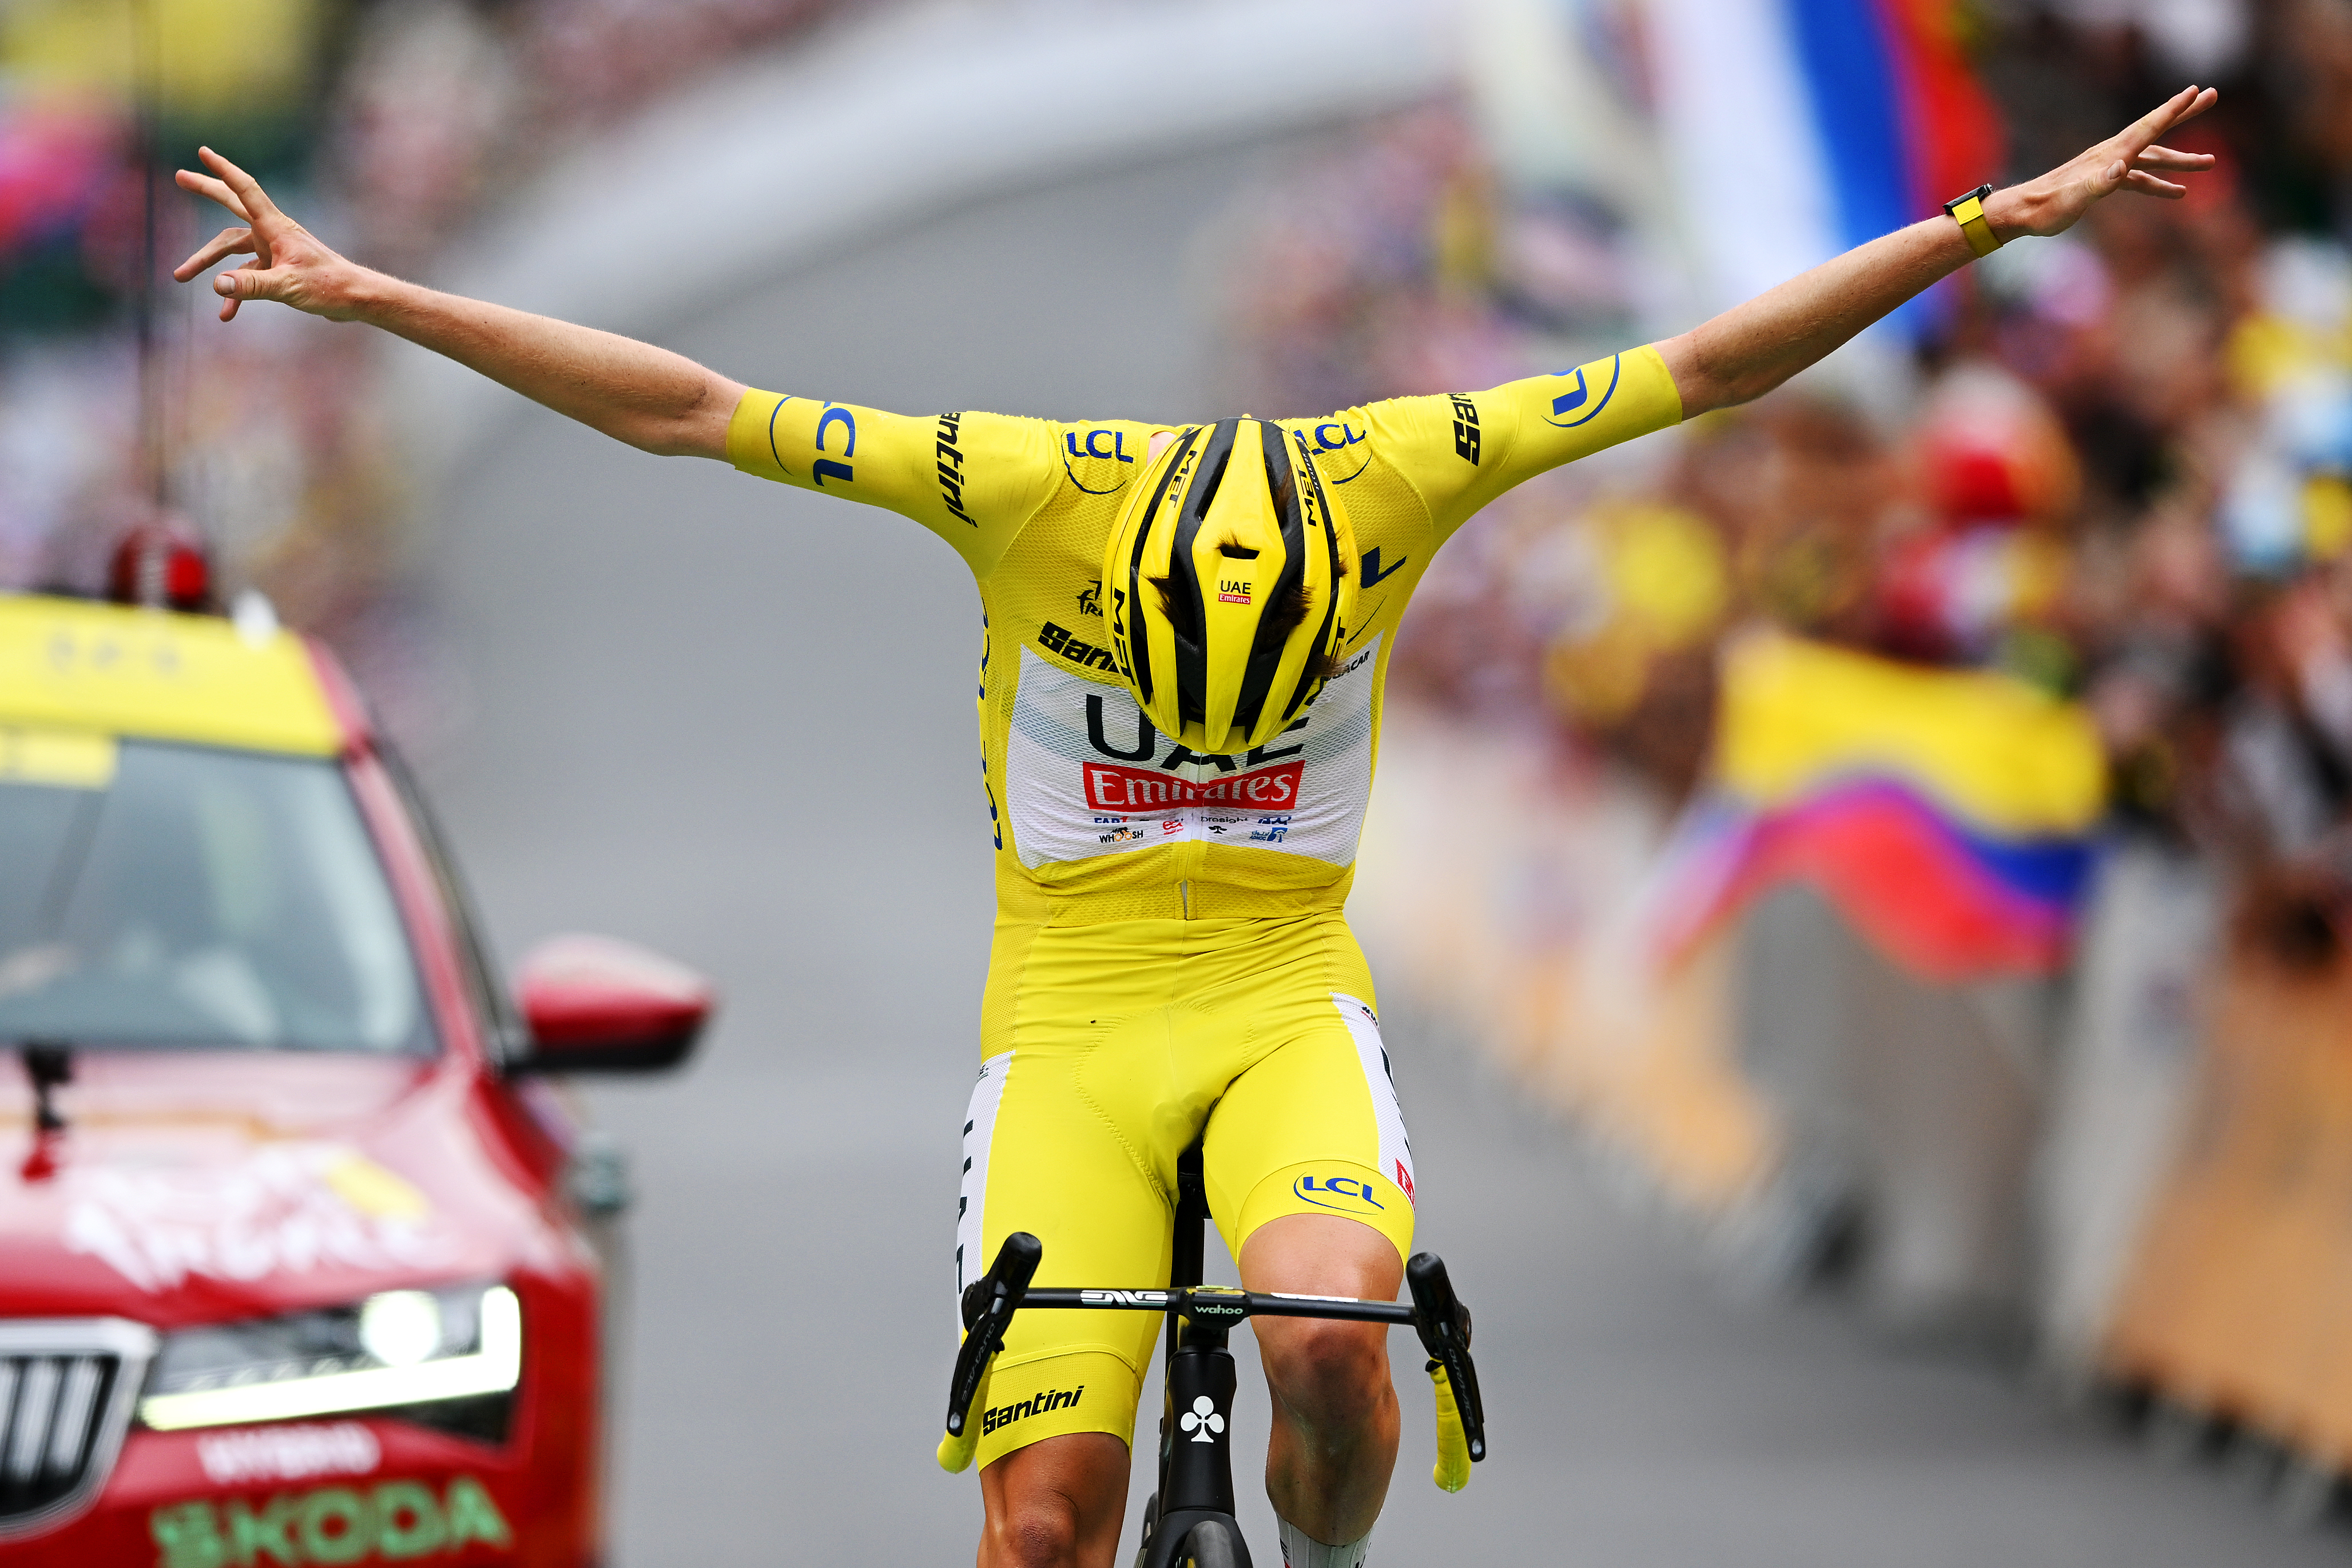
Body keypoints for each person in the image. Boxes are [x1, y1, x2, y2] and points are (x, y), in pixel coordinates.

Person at [176, 86, 2218, 1568]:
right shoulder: (1015, 480)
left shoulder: (1405, 466)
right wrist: (374, 295)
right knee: (1047, 1525)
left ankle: (1316, 1557)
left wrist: (1989, 221)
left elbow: (1705, 365)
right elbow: (690, 407)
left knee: (1333, 1338)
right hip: (1065, 1022)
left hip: (1276, 1002)